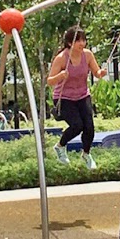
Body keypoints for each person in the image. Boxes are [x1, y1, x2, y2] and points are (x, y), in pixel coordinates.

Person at [47, 27, 105, 165]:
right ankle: (60, 146)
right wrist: (60, 76)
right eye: (78, 41)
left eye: (83, 40)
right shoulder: (62, 58)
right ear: (69, 43)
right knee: (77, 125)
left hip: (82, 95)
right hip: (64, 98)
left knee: (89, 127)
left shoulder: (88, 55)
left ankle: (86, 154)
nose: (82, 43)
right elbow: (50, 81)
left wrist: (100, 73)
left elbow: (96, 72)